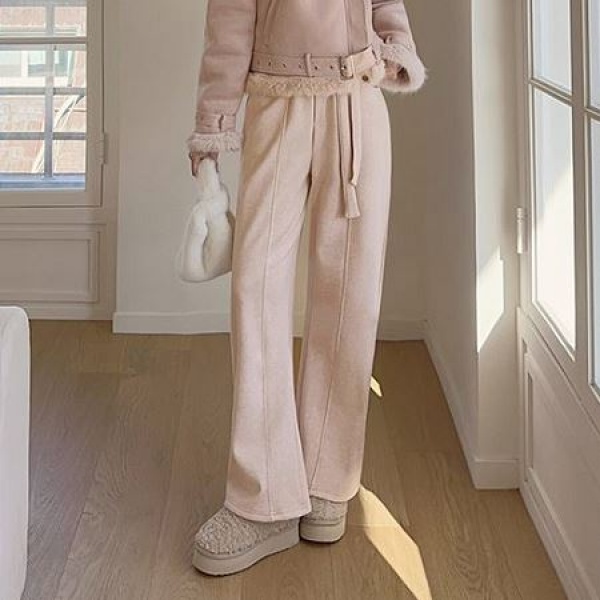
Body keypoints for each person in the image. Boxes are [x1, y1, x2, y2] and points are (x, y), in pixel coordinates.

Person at [187, 0, 426, 577]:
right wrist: (212, 134)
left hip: (357, 104)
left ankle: (327, 480)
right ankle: (262, 498)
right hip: (277, 102)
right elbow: (229, 24)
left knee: (350, 297)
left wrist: (393, 48)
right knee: (255, 294)